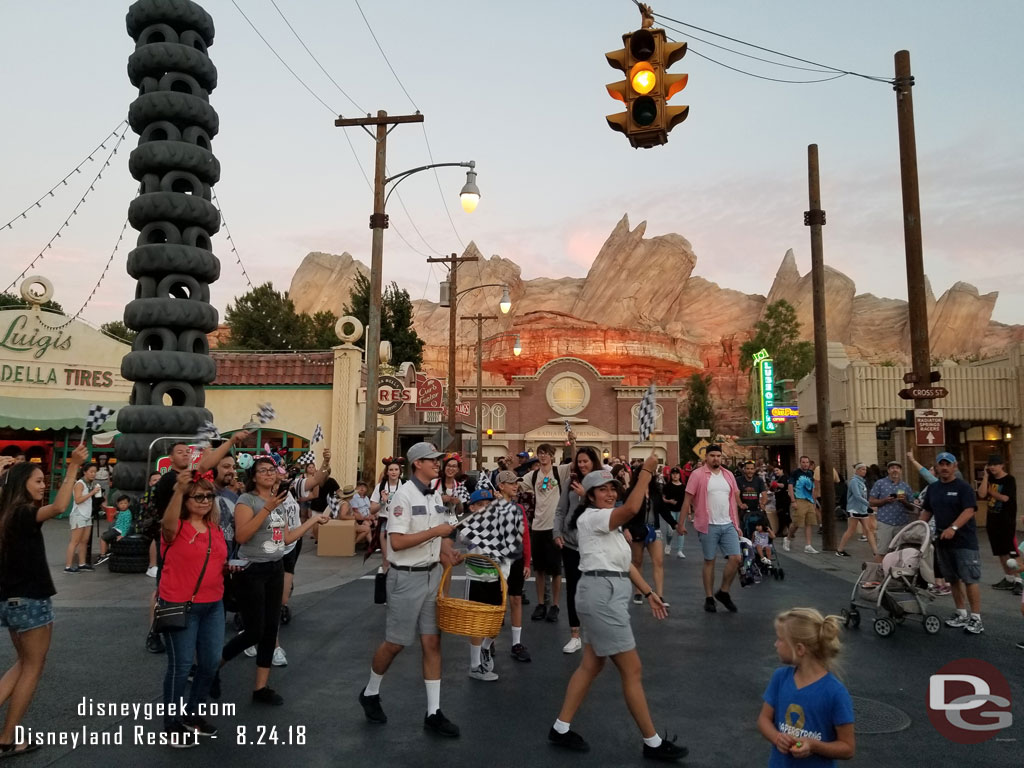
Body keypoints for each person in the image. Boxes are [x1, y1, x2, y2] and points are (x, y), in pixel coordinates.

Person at [547, 457, 686, 762]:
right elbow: (633, 509)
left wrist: (649, 591)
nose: (610, 493)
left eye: (613, 488)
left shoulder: (609, 523)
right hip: (601, 595)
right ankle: (652, 743)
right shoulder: (593, 518)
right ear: (590, 494)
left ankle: (560, 728)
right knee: (632, 669)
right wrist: (647, 472)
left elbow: (624, 564)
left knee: (592, 665)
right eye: (603, 489)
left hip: (607, 591)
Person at [358, 442, 463, 737]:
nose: (438, 464)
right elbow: (398, 542)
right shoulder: (403, 495)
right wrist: (436, 533)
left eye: (438, 460)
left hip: (430, 575)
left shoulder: (433, 496)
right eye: (432, 460)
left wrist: (447, 553)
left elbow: (438, 537)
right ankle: (370, 691)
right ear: (417, 463)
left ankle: (434, 712)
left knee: (433, 642)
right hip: (405, 578)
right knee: (395, 643)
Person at [0, 443, 88, 757]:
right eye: (37, 481)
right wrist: (74, 467)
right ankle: (7, 738)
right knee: (33, 667)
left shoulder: (6, 512)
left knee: (24, 663)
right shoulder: (23, 513)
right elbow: (59, 507)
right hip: (30, 600)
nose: (42, 485)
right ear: (21, 484)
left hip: (10, 601)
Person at [219, 456, 329, 704]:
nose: (269, 474)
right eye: (263, 471)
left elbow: (287, 538)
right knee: (253, 631)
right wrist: (267, 508)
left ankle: (261, 688)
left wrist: (313, 520)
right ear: (254, 477)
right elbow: (243, 535)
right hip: (252, 570)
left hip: (275, 568)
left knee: (271, 629)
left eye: (272, 470)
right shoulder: (247, 501)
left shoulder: (278, 502)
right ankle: (213, 666)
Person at [158, 470, 228, 745]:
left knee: (210, 663)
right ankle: (172, 722)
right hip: (179, 604)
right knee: (181, 665)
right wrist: (178, 489)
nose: (204, 501)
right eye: (197, 496)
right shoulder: (175, 528)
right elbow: (167, 523)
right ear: (186, 499)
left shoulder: (215, 528)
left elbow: (216, 559)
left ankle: (192, 713)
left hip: (213, 604)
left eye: (209, 496)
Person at [757, 608, 855, 765]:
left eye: (780, 639)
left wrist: (814, 746)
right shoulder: (780, 678)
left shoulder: (835, 693)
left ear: (800, 649)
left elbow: (847, 748)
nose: (776, 644)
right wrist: (777, 738)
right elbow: (763, 719)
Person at [921, 452, 984, 634]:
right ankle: (961, 613)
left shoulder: (963, 488)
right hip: (943, 542)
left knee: (969, 579)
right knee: (952, 579)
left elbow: (969, 510)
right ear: (937, 467)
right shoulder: (934, 488)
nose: (944, 468)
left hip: (964, 542)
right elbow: (927, 511)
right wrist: (917, 528)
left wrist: (953, 528)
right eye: (941, 464)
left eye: (948, 464)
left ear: (954, 466)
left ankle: (976, 618)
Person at [678, 445, 744, 613]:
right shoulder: (698, 475)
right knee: (710, 560)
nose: (716, 458)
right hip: (708, 524)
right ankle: (709, 597)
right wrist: (681, 523)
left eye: (718, 456)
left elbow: (733, 501)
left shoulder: (728, 475)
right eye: (712, 455)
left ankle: (724, 591)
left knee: (736, 558)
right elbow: (687, 500)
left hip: (727, 523)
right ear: (706, 457)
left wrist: (737, 525)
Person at [553, 439, 600, 654]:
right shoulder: (570, 483)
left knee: (592, 589)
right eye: (579, 462)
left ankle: (594, 632)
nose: (581, 465)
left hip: (592, 544)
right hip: (571, 545)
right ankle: (575, 635)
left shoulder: (601, 484)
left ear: (593, 462)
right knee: (572, 589)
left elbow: (605, 510)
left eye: (585, 461)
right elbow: (561, 510)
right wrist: (557, 532)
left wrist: (584, 497)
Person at [520, 444, 565, 622]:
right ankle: (540, 604)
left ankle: (555, 605)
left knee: (555, 570)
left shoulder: (559, 472)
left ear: (553, 455)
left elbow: (576, 463)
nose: (543, 456)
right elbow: (516, 485)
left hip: (554, 528)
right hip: (537, 527)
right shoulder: (532, 476)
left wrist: (573, 442)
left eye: (546, 453)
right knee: (538, 569)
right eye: (540, 453)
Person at [494, 470, 532, 662]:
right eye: (510, 483)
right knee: (495, 600)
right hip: (498, 559)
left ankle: (516, 643)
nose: (515, 486)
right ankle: (488, 639)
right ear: (501, 486)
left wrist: (527, 560)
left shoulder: (519, 509)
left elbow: (525, 536)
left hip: (515, 558)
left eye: (516, 483)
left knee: (516, 598)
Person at [978, 454, 1020, 595]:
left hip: (1006, 520)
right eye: (990, 465)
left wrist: (991, 491)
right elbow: (982, 494)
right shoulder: (989, 478)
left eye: (995, 464)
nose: (992, 467)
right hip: (992, 519)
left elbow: (1005, 498)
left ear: (1002, 465)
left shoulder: (1009, 480)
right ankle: (1009, 578)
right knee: (1000, 551)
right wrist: (984, 477)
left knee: (1010, 550)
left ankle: (1019, 580)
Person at [868, 460, 916, 562]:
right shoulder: (880, 483)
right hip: (885, 521)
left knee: (900, 551)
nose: (895, 470)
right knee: (882, 551)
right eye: (892, 468)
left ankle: (894, 573)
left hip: (901, 523)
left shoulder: (905, 486)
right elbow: (871, 502)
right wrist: (885, 500)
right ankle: (879, 573)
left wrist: (904, 501)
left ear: (901, 471)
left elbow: (912, 507)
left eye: (897, 468)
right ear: (888, 471)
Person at [370, 459, 405, 574]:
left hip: (402, 523)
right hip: (385, 522)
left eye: (396, 469)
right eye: (391, 470)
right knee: (386, 557)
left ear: (400, 472)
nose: (394, 472)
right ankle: (386, 583)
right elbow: (372, 510)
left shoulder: (405, 486)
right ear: (387, 472)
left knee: (401, 557)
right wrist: (382, 502)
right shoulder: (380, 487)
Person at [65, 461, 101, 572]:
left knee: (84, 541)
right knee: (74, 541)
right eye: (91, 472)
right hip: (78, 514)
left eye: (95, 472)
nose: (93, 474)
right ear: (85, 472)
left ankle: (82, 563)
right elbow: (78, 499)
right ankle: (68, 566)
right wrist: (92, 492)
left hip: (87, 515)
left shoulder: (90, 484)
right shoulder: (80, 484)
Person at [836, 464, 877, 558]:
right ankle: (840, 549)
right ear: (857, 470)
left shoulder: (862, 482)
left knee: (868, 530)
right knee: (851, 530)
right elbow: (857, 496)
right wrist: (869, 505)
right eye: (862, 469)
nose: (864, 471)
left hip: (862, 509)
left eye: (865, 469)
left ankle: (875, 551)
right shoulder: (854, 482)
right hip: (854, 509)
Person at [786, 456, 818, 554]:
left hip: (809, 500)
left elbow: (813, 488)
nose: (805, 464)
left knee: (809, 522)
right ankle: (787, 538)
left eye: (807, 462)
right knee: (797, 522)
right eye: (803, 462)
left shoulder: (810, 473)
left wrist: (814, 501)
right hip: (799, 498)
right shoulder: (795, 473)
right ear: (800, 463)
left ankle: (808, 545)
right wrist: (793, 500)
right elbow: (790, 486)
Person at [96, 494, 133, 565]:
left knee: (103, 538)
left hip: (119, 531)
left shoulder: (127, 513)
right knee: (105, 535)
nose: (123, 505)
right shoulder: (122, 512)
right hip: (116, 529)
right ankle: (106, 552)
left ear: (128, 504)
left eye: (125, 503)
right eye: (121, 503)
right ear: (118, 504)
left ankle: (102, 555)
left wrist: (122, 535)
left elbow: (127, 525)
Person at [737, 460, 768, 539]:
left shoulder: (759, 480)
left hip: (756, 510)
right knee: (743, 533)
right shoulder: (738, 480)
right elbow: (736, 495)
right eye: (747, 469)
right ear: (744, 470)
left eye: (751, 469)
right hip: (743, 511)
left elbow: (764, 494)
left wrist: (763, 503)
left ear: (754, 470)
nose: (749, 471)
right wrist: (740, 504)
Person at [662, 467, 686, 559]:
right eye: (673, 473)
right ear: (670, 475)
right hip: (670, 510)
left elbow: (686, 501)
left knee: (681, 530)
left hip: (680, 510)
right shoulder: (667, 486)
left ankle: (680, 550)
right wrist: (669, 501)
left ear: (680, 475)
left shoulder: (683, 487)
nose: (675, 475)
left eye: (677, 473)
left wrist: (688, 512)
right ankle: (668, 544)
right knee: (670, 531)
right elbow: (663, 498)